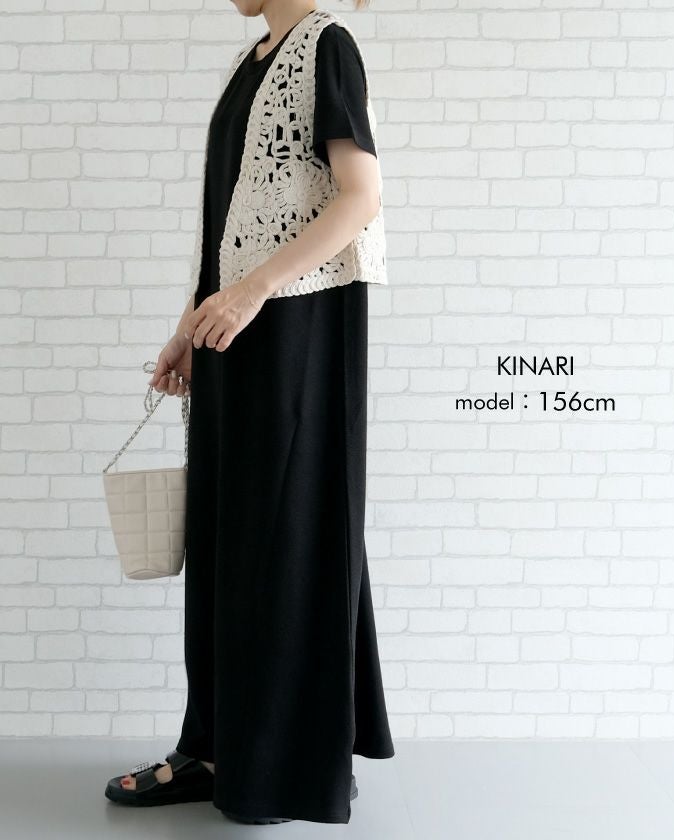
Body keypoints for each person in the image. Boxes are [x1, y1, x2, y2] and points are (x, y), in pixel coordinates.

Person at [104, 0, 394, 825]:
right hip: (238, 333)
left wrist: (254, 292)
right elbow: (232, 226)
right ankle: (216, 746)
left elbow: (360, 197)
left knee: (283, 532)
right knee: (227, 537)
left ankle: (282, 765)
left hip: (297, 329)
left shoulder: (327, 47)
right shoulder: (253, 62)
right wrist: (190, 327)